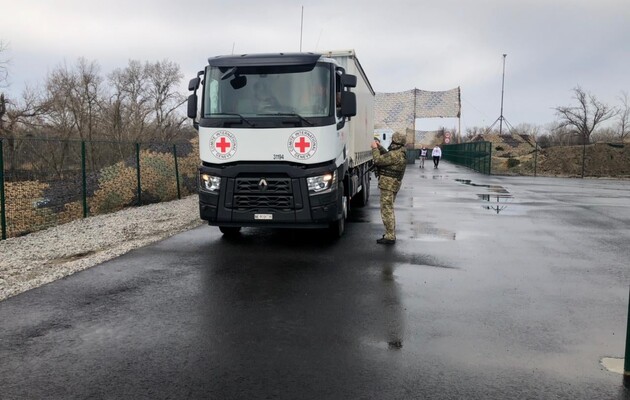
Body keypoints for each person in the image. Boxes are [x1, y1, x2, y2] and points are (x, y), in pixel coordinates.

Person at [370, 131, 407, 245]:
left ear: (395, 140)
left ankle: (390, 236)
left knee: (387, 209)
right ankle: (389, 233)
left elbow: (378, 160)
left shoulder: (395, 154)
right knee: (388, 208)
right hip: (392, 184)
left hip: (388, 185)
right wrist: (380, 147)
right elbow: (387, 156)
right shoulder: (400, 152)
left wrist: (374, 148)